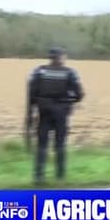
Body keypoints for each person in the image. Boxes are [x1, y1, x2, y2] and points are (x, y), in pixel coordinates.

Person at [27, 47, 84, 185]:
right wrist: (68, 102)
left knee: (42, 146)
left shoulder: (39, 71)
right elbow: (79, 94)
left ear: (50, 58)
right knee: (60, 145)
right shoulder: (70, 73)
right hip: (61, 113)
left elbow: (31, 93)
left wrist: (32, 111)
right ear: (60, 58)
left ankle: (39, 177)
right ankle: (60, 176)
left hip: (44, 112)